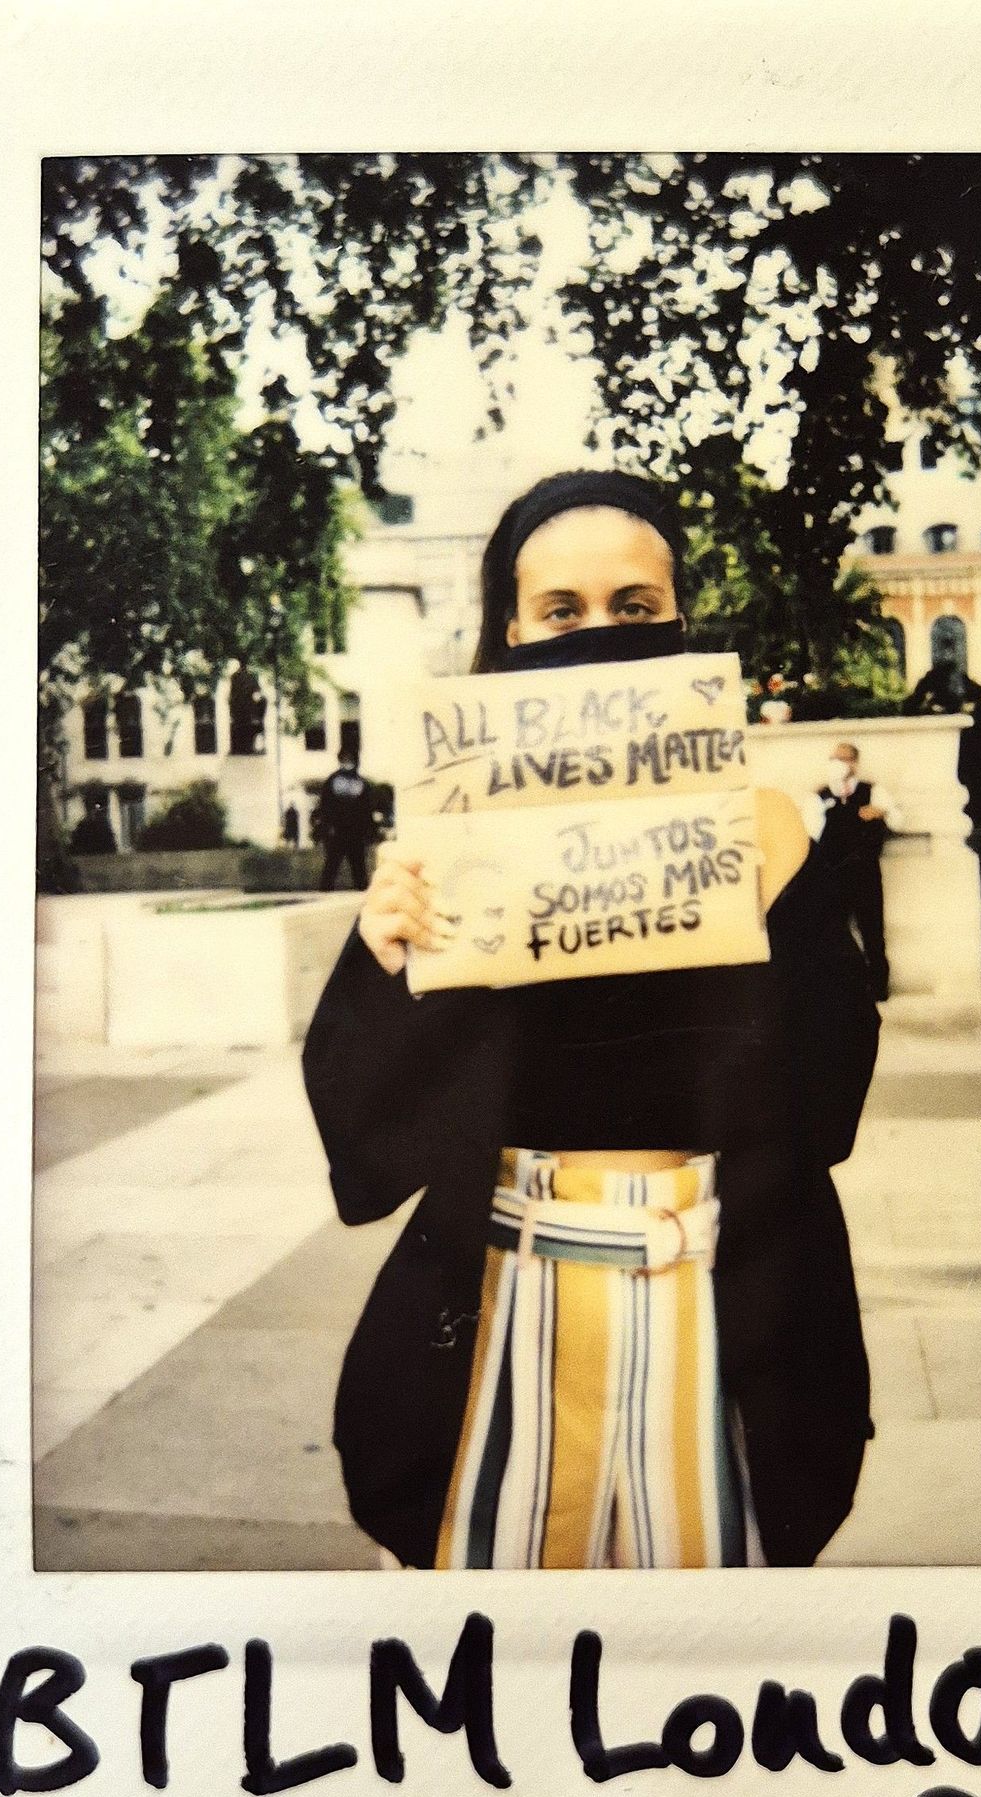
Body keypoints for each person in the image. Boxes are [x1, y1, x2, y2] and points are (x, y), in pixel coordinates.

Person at [302, 470, 880, 1570]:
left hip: (720, 1306)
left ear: (678, 622)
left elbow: (830, 1107)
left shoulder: (758, 827)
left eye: (633, 608)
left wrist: (787, 891)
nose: (597, 631)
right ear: (511, 627)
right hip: (502, 1301)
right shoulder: (448, 832)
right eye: (562, 611)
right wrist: (388, 960)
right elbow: (365, 1152)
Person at [802, 742, 902, 1003]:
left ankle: (878, 988)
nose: (838, 763)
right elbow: (810, 834)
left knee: (872, 931)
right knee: (831, 932)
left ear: (854, 763)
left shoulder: (873, 791)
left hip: (865, 872)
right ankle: (836, 987)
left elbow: (898, 819)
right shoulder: (819, 796)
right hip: (832, 873)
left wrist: (883, 812)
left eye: (844, 759)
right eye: (834, 758)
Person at [904, 642, 981, 834]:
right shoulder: (931, 680)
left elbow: (978, 698)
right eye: (944, 651)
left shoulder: (963, 681)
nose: (948, 656)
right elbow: (911, 707)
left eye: (951, 651)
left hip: (970, 742)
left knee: (972, 777)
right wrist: (932, 710)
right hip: (940, 744)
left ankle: (976, 816)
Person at [316, 751, 376, 891]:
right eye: (346, 759)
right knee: (335, 863)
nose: (348, 762)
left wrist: (368, 831)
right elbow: (325, 807)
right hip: (340, 831)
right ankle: (326, 889)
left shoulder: (357, 783)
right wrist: (327, 827)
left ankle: (359, 888)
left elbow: (367, 810)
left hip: (351, 831)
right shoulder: (338, 781)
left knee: (356, 864)